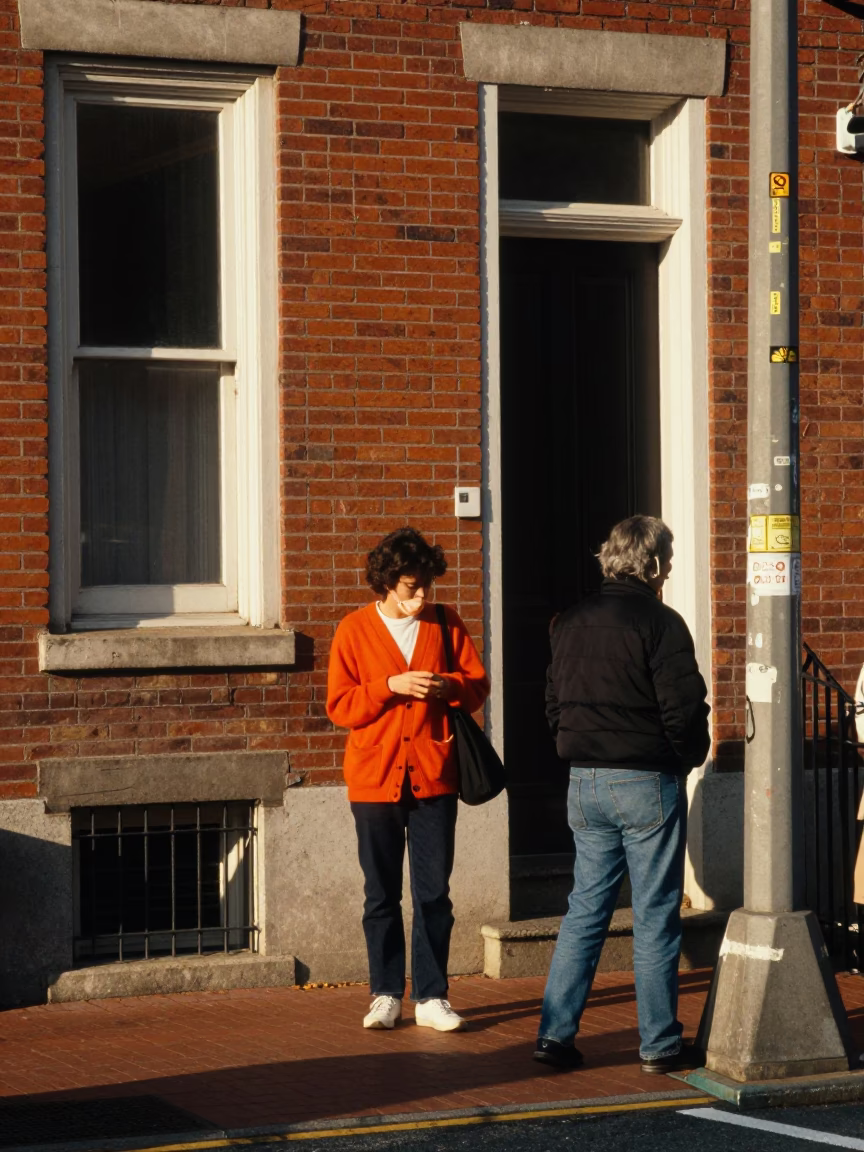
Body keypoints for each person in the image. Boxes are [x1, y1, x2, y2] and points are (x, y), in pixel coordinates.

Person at [534, 515, 710, 1074]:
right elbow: (683, 708)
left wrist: (575, 745)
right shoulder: (661, 622)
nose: (671, 569)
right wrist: (686, 757)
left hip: (584, 779)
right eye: (668, 559)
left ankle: (554, 1036)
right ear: (652, 563)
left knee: (585, 909)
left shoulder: (570, 621)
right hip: (644, 779)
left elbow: (554, 703)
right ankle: (659, 1044)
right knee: (655, 914)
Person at [327, 526, 490, 1032]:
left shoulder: (445, 623)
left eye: (426, 586)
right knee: (380, 894)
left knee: (433, 893)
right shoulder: (354, 629)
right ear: (386, 582)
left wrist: (446, 685)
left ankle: (432, 996)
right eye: (410, 588)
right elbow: (340, 706)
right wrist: (389, 686)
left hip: (434, 776)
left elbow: (477, 686)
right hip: (374, 779)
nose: (421, 597)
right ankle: (385, 994)